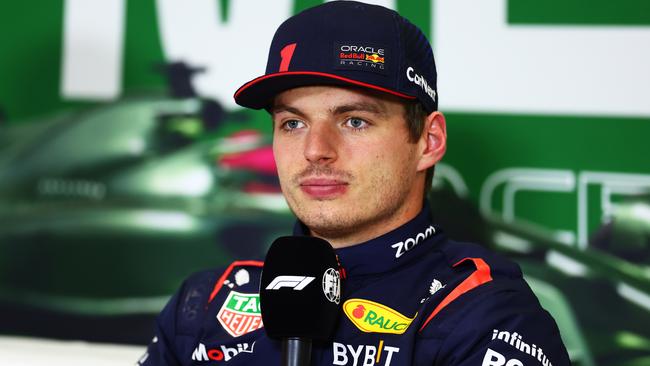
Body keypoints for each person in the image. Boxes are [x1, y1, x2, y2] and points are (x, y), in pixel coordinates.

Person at [138, 1, 570, 365]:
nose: (315, 150)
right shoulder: (204, 303)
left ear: (428, 141)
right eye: (292, 123)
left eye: (354, 120)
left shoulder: (484, 314)